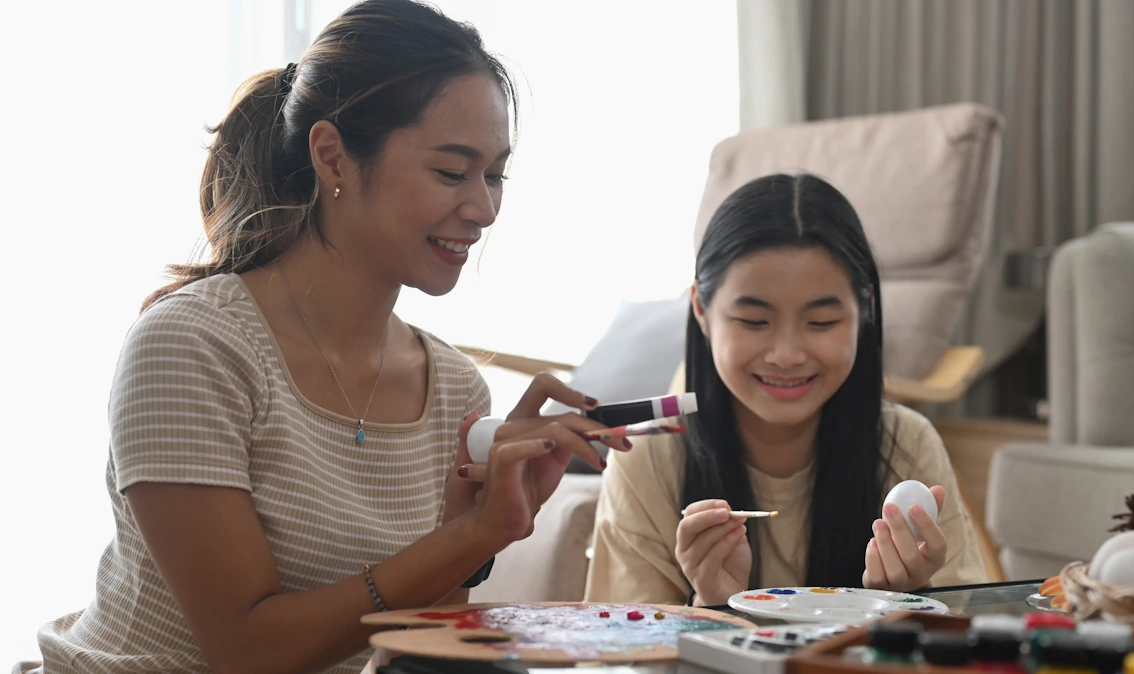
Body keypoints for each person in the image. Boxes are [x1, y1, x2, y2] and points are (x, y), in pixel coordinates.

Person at [15, 2, 625, 673]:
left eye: (495, 174)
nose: (482, 208)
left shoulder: (454, 389)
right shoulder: (193, 347)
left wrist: (475, 535)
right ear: (332, 155)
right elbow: (245, 653)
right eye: (452, 172)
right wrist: (468, 536)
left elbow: (411, 654)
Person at [583, 173, 986, 607]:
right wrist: (713, 608)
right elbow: (621, 654)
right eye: (754, 321)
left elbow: (968, 643)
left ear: (863, 310)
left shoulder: (906, 446)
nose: (787, 354)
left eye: (821, 323)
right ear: (701, 308)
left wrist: (908, 605)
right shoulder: (649, 457)